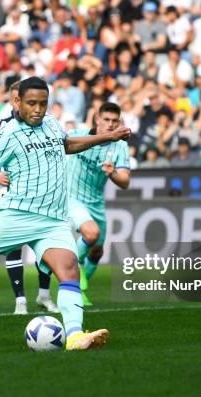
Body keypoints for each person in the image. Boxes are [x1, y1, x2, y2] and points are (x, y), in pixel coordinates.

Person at [0, 77, 130, 350]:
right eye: (31, 103)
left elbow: (68, 145)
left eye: (43, 103)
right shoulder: (8, 134)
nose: (38, 109)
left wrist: (106, 137)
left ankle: (75, 336)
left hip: (53, 220)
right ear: (17, 102)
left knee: (69, 271)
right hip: (16, 216)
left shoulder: (52, 123)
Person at [0, 81, 58, 315]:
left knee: (46, 246)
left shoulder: (45, 122)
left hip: (40, 195)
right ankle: (20, 301)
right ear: (15, 100)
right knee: (13, 248)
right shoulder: (1, 124)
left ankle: (44, 295)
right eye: (17, 99)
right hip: (11, 195)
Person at [66, 102, 131, 306]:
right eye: (107, 120)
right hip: (71, 197)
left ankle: (81, 282)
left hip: (96, 202)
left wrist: (112, 173)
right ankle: (76, 274)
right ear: (97, 119)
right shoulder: (78, 134)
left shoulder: (120, 146)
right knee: (91, 234)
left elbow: (125, 182)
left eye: (114, 121)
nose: (110, 124)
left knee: (97, 250)